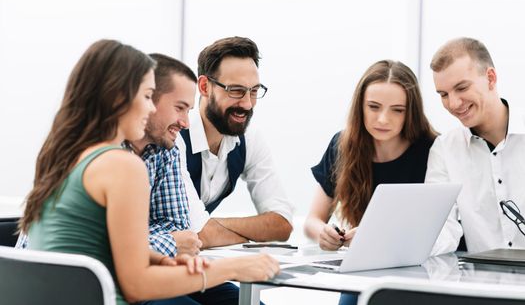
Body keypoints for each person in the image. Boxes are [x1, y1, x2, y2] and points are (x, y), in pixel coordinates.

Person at [20, 39, 280, 305]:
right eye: (147, 96)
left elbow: (102, 245)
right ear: (119, 97)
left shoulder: (69, 154)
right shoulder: (122, 165)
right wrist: (234, 268)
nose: (150, 107)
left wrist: (161, 258)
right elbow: (137, 286)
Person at [128, 53, 257, 304]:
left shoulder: (167, 150)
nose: (186, 123)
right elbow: (111, 249)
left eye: (188, 110)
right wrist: (168, 243)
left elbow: (181, 231)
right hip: (110, 279)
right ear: (148, 100)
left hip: (158, 269)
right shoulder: (111, 157)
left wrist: (165, 244)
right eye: (179, 108)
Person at [304, 60, 436, 305]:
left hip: (420, 273)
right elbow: (313, 219)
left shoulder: (433, 149)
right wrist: (324, 234)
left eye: (397, 110)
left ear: (411, 111)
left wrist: (376, 238)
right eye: (374, 107)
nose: (383, 119)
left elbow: (440, 230)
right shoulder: (342, 145)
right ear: (360, 107)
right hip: (364, 270)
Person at [177, 36, 293, 245]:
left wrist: (211, 226)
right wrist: (206, 231)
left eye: (254, 91)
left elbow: (282, 225)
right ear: (204, 87)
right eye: (236, 91)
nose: (248, 104)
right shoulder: (175, 138)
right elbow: (202, 235)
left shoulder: (249, 140)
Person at [427, 37, 525, 254]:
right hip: (483, 284)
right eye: (443, 94)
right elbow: (439, 231)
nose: (453, 104)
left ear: (490, 78)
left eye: (461, 88)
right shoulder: (444, 150)